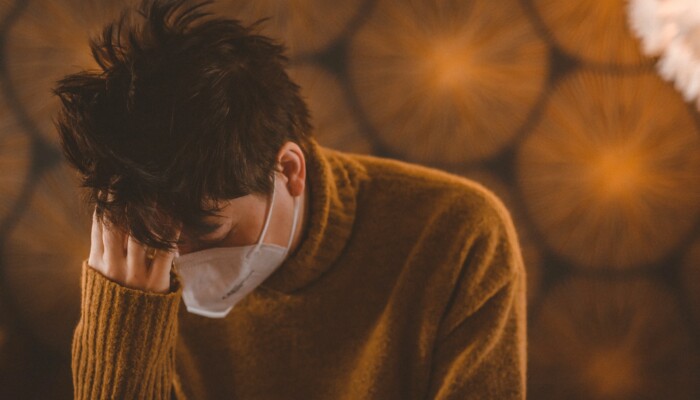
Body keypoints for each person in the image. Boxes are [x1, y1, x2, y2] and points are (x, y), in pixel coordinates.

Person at [52, 0, 527, 398]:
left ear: (289, 171)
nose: (177, 263)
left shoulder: (460, 235)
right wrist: (122, 322)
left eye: (208, 230)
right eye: (160, 239)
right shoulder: (139, 265)